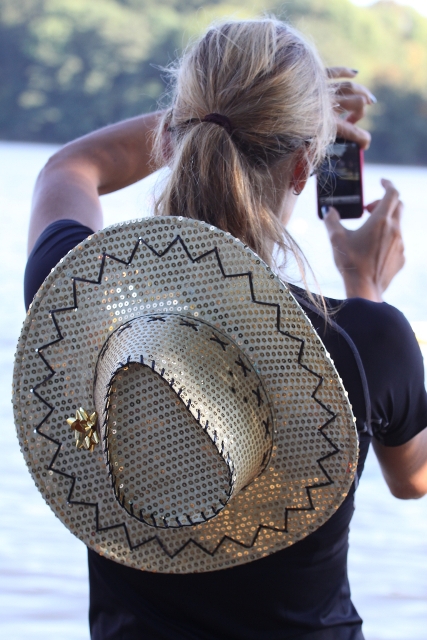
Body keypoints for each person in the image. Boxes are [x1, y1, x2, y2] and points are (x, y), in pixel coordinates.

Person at [24, 18, 427, 640]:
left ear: (172, 137)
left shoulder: (83, 298)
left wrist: (211, 119)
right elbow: (413, 478)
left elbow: (70, 167)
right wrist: (364, 283)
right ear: (305, 167)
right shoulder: (369, 340)